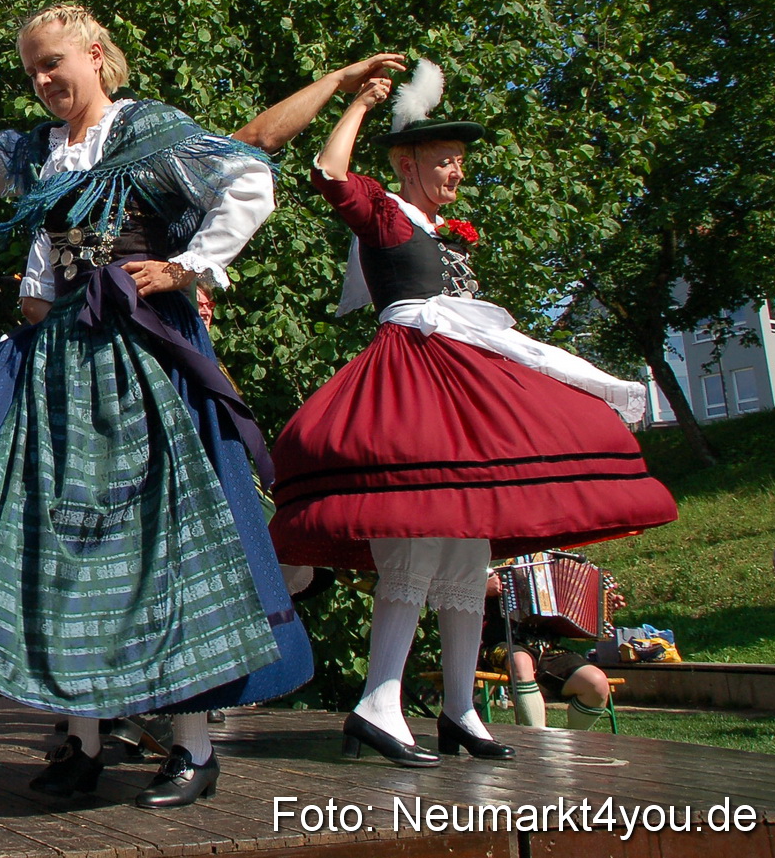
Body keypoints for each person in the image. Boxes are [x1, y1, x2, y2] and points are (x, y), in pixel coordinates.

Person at [0, 4, 401, 809]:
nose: (44, 80)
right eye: (33, 70)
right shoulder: (34, 151)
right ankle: (85, 740)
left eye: (54, 62)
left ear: (97, 55)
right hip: (58, 362)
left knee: (166, 543)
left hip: (138, 361)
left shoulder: (150, 133)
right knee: (61, 544)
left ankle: (195, 748)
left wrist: (190, 264)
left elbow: (249, 176)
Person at [266, 65, 677, 769]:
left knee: (467, 544)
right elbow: (329, 172)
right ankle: (378, 699)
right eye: (444, 158)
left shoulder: (446, 231)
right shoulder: (387, 211)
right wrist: (361, 101)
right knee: (420, 527)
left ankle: (459, 707)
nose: (456, 170)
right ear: (408, 162)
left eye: (459, 160)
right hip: (413, 375)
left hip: (461, 378)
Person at [482, 570, 618, 731]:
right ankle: (540, 741)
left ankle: (572, 745)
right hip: (496, 643)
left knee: (596, 683)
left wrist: (602, 603)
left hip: (546, 647)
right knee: (521, 661)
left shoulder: (554, 563)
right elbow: (447, 589)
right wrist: (481, 588)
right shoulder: (488, 557)